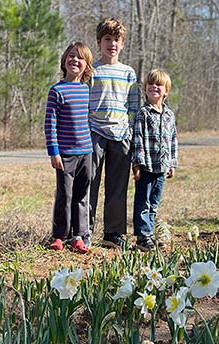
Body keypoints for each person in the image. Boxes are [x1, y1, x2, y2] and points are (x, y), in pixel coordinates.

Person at [89, 17, 139, 249]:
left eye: (116, 40)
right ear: (99, 43)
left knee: (117, 187)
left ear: (122, 44)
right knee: (89, 183)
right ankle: (83, 230)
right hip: (94, 133)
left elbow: (134, 108)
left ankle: (113, 233)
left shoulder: (128, 73)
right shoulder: (92, 71)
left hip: (121, 136)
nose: (112, 44)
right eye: (107, 39)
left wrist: (131, 134)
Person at [45, 42, 94, 254]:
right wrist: (53, 151)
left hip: (86, 152)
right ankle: (59, 236)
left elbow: (89, 121)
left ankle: (79, 236)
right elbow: (50, 124)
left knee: (82, 195)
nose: (75, 60)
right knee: (64, 195)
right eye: (71, 56)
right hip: (65, 154)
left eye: (80, 57)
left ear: (87, 66)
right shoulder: (57, 90)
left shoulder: (86, 90)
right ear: (64, 60)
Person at [132, 68, 178, 252]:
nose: (154, 87)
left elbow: (173, 139)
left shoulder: (169, 115)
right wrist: (137, 164)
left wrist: (172, 163)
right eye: (150, 84)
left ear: (166, 91)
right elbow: (137, 139)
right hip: (146, 166)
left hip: (162, 167)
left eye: (159, 84)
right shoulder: (143, 113)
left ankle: (149, 232)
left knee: (154, 202)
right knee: (143, 201)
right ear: (145, 89)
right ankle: (142, 236)